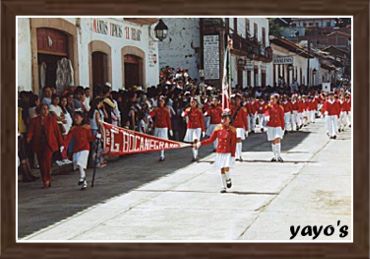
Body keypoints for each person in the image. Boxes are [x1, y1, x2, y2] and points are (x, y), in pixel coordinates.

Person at [195, 109, 236, 193]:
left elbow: (233, 144)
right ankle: (223, 186)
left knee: (226, 168)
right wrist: (201, 143)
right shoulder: (218, 128)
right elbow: (211, 140)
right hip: (220, 151)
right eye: (223, 118)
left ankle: (228, 179)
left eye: (226, 118)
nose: (224, 119)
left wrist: (233, 155)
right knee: (221, 169)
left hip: (227, 152)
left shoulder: (232, 130)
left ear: (229, 119)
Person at [27, 104, 64, 188]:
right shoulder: (34, 120)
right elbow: (31, 131)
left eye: (47, 109)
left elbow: (57, 132)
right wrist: (28, 138)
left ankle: (47, 179)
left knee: (46, 161)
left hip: (49, 143)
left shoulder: (52, 120)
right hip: (39, 143)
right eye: (43, 109)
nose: (45, 111)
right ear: (39, 110)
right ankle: (45, 178)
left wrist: (61, 143)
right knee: (41, 162)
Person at [64, 110, 97, 190]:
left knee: (80, 162)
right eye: (74, 118)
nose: (76, 119)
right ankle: (84, 183)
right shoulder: (73, 129)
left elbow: (90, 138)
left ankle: (82, 177)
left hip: (85, 147)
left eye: (77, 117)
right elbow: (68, 138)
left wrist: (96, 137)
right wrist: (64, 146)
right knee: (78, 164)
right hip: (77, 148)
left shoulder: (86, 128)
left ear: (82, 118)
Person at [149, 96, 173, 161]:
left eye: (162, 101)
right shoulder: (156, 109)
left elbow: (168, 120)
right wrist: (149, 115)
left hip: (164, 128)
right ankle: (159, 152)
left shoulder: (166, 110)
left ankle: (162, 154)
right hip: (157, 127)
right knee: (157, 140)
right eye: (160, 101)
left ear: (164, 102)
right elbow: (151, 114)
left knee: (162, 141)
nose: (161, 103)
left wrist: (170, 129)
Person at [265, 94, 285, 162]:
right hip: (271, 125)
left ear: (277, 100)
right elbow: (266, 111)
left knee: (277, 139)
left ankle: (279, 156)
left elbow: (282, 118)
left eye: (273, 99)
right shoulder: (268, 106)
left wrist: (283, 127)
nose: (272, 100)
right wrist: (267, 115)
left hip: (278, 125)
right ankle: (274, 156)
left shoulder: (280, 107)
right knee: (273, 141)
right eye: (271, 99)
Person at [230, 94, 248, 161]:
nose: (237, 101)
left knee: (238, 139)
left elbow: (245, 119)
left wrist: (246, 129)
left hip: (240, 126)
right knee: (234, 141)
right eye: (236, 100)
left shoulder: (243, 109)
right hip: (233, 126)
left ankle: (239, 155)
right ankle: (235, 154)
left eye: (238, 100)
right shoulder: (231, 108)